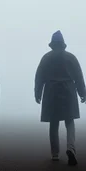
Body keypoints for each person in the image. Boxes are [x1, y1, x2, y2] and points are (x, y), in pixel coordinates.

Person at [34, 30, 86, 166]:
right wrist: (82, 92)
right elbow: (78, 77)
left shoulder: (46, 57)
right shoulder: (71, 57)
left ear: (52, 44)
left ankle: (55, 154)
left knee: (54, 123)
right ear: (63, 44)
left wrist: (37, 92)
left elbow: (39, 76)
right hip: (68, 90)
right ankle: (71, 148)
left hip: (51, 92)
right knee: (69, 122)